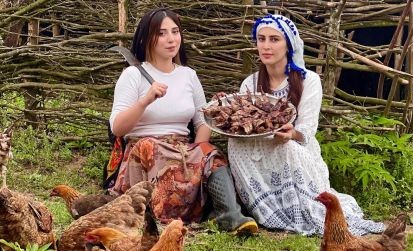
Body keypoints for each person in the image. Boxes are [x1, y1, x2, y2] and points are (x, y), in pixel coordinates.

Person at [227, 14, 385, 236]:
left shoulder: (308, 81)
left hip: (296, 150)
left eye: (274, 39)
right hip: (258, 149)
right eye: (261, 39)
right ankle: (263, 204)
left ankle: (296, 205)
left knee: (286, 147)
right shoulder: (250, 83)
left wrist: (292, 134)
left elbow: (307, 131)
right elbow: (243, 123)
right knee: (234, 144)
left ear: (288, 45)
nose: (266, 46)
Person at [108, 7, 257, 234]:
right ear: (147, 38)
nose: (171, 39)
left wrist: (200, 147)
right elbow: (117, 127)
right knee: (149, 147)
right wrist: (145, 101)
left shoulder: (188, 75)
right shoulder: (133, 75)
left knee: (213, 156)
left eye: (175, 31)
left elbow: (202, 121)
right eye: (162, 33)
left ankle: (230, 216)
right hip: (145, 150)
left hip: (182, 149)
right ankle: (156, 214)